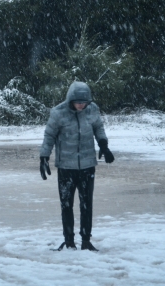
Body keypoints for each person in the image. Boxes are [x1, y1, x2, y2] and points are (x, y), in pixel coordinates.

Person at [39, 81, 115, 251]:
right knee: (66, 205)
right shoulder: (59, 113)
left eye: (84, 102)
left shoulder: (92, 109)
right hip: (66, 167)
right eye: (78, 102)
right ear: (70, 100)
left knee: (87, 204)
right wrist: (44, 156)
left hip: (88, 166)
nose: (82, 105)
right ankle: (69, 241)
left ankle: (86, 241)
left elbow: (98, 127)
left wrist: (103, 145)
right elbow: (49, 135)